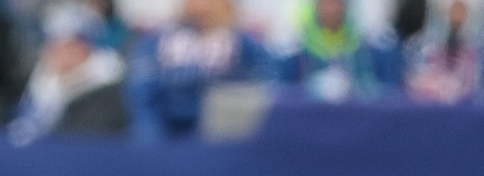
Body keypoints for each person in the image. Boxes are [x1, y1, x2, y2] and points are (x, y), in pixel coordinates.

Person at [125, 0, 272, 140]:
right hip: (167, 138)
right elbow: (143, 100)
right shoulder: (155, 44)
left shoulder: (247, 48)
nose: (201, 7)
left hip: (225, 142)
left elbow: (262, 98)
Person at [10, 4, 129, 141]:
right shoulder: (46, 79)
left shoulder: (109, 85)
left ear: (82, 46)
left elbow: (85, 135)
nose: (53, 52)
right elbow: (21, 124)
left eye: (62, 44)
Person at [274, 0, 402, 102]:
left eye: (337, 2)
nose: (331, 8)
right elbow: (285, 92)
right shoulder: (297, 47)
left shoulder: (364, 46)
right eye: (326, 2)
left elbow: (379, 89)